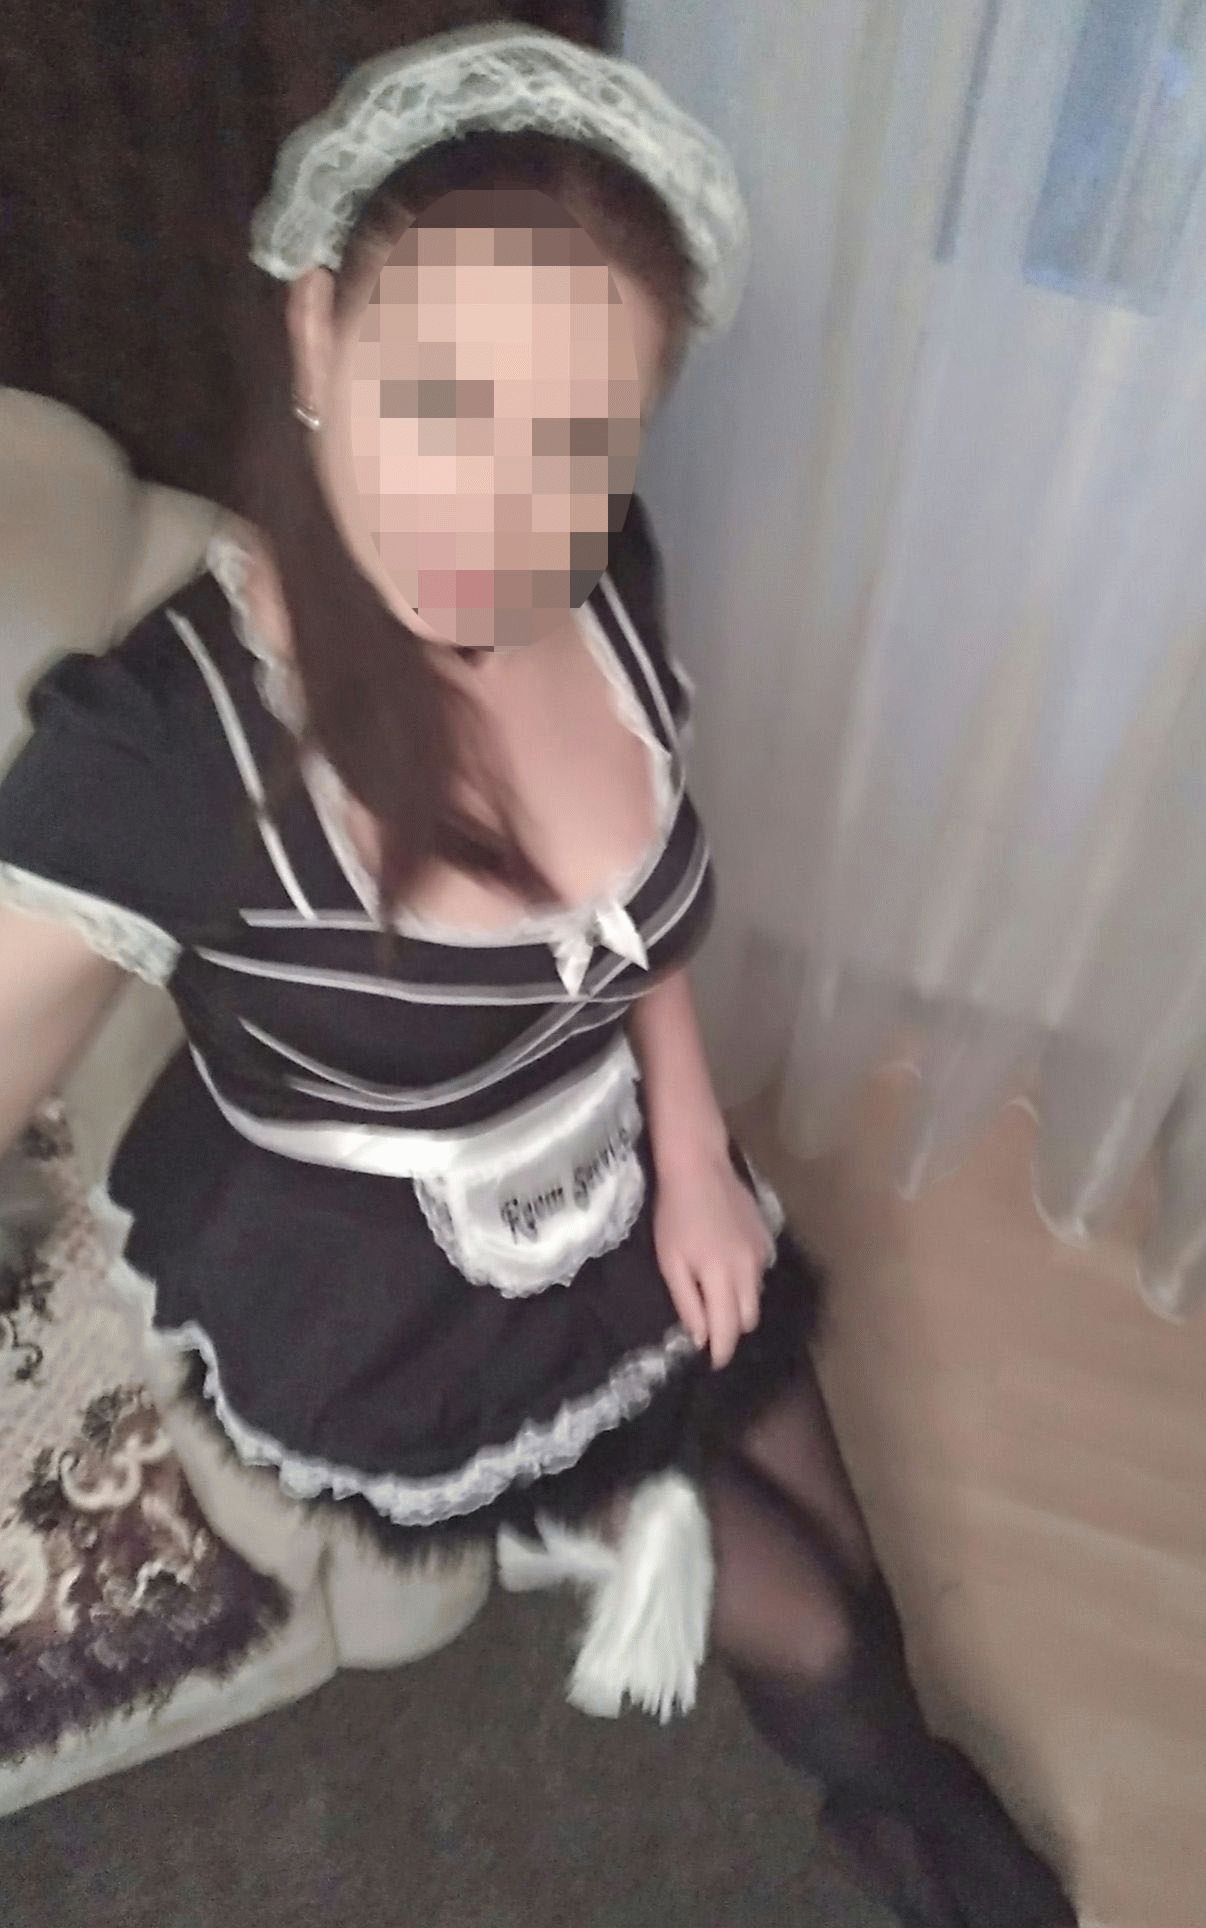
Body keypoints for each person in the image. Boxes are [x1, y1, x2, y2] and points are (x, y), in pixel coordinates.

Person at [0, 24, 1075, 1925]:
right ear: (318, 332)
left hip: (635, 1179)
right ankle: (928, 1843)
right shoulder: (159, 754)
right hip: (405, 1304)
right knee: (815, 1628)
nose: (500, 516)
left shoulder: (606, 576)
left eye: (577, 440)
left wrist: (693, 1152)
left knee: (846, 1556)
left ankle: (893, 1794)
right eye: (442, 400)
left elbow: (634, 934)